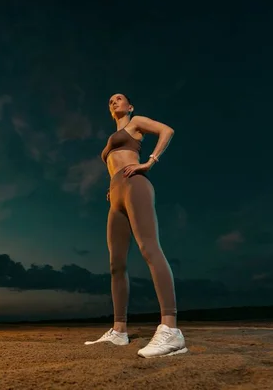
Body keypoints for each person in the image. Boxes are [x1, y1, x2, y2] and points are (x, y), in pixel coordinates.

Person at [84, 93, 188, 358]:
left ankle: (171, 328)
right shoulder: (114, 134)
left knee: (149, 248)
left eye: (119, 99)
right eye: (110, 101)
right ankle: (119, 332)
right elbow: (112, 165)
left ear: (130, 106)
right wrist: (111, 188)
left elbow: (167, 130)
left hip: (135, 184)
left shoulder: (136, 122)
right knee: (116, 264)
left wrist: (149, 162)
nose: (113, 102)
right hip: (115, 194)